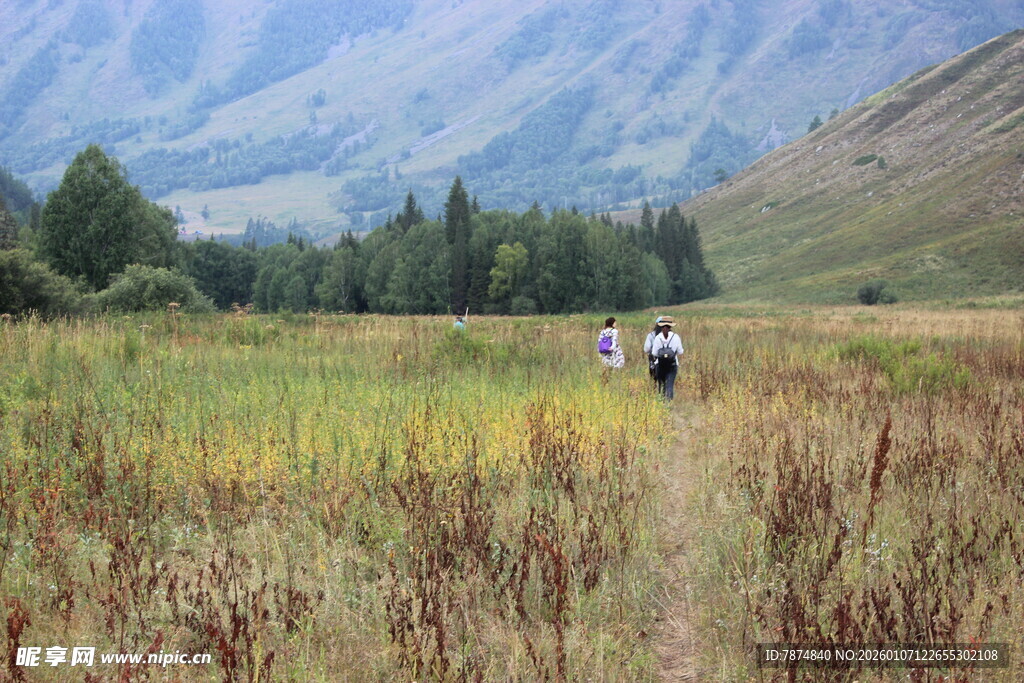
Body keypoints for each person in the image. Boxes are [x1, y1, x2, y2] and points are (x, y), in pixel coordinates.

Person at [643, 315, 684, 399]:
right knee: (670, 384)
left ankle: (661, 401)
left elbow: (654, 353)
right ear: (671, 326)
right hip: (672, 364)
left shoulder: (658, 337)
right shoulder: (676, 337)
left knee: (661, 384)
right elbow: (680, 351)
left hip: (660, 364)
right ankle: (668, 404)